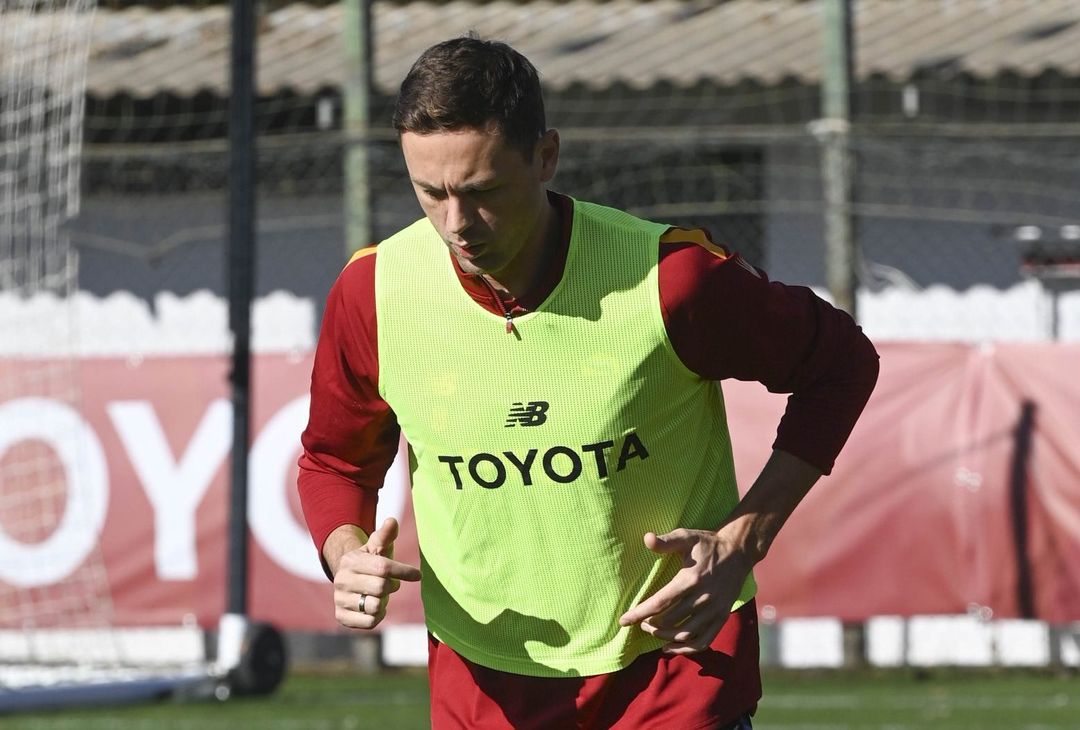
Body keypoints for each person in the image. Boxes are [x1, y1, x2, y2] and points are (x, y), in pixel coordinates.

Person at [298, 35, 879, 729]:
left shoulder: (671, 279)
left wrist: (743, 538)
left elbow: (841, 364)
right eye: (431, 193)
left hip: (672, 678)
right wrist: (345, 553)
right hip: (482, 691)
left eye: (482, 192)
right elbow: (335, 460)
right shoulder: (372, 292)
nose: (456, 224)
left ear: (546, 156)